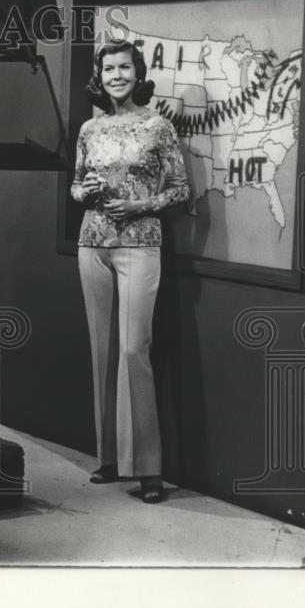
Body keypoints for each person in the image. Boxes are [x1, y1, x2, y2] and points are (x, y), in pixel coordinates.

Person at [70, 40, 189, 504]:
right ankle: (107, 457)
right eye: (108, 68)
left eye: (124, 67)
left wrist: (141, 203)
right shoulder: (89, 129)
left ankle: (148, 469)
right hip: (92, 243)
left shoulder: (158, 127)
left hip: (140, 243)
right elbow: (76, 185)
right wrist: (86, 192)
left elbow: (180, 189)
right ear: (99, 77)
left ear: (138, 74)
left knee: (133, 348)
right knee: (101, 350)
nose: (116, 75)